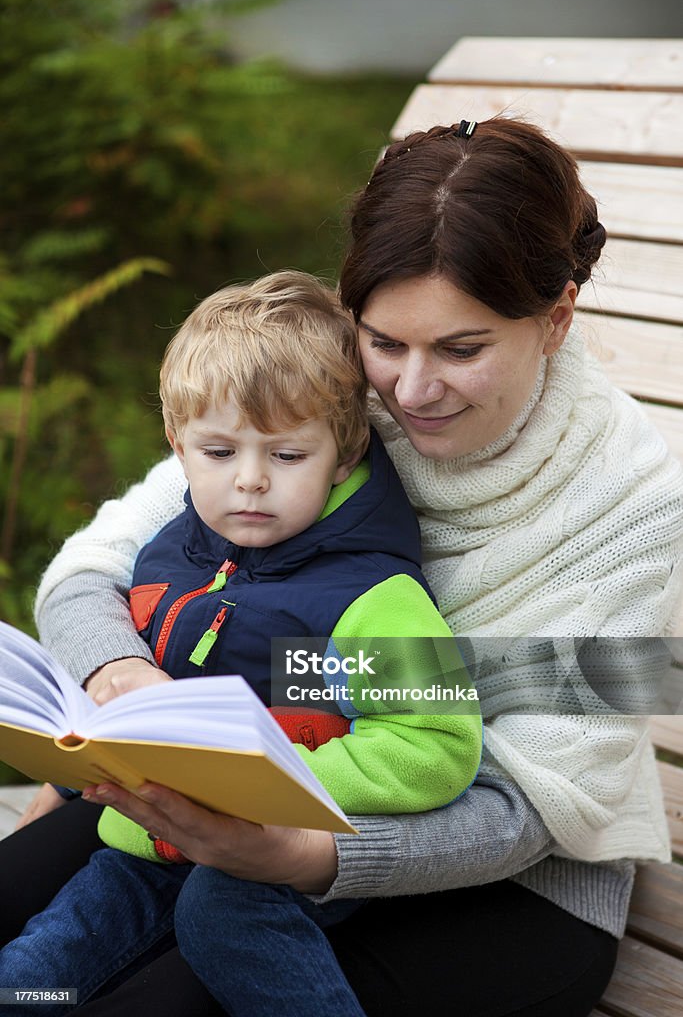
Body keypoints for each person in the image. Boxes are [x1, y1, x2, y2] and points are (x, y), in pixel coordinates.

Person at [2, 116, 683, 1017]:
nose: (409, 391)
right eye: (385, 342)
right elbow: (93, 571)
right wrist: (118, 680)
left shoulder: (632, 506)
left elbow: (521, 809)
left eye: (461, 349)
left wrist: (300, 854)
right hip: (233, 783)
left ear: (555, 317)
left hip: (504, 877)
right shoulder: (322, 400)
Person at [0, 271, 481, 1016]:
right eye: (219, 453)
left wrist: (280, 777)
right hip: (145, 846)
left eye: (287, 457)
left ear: (345, 450)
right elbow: (128, 699)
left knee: (221, 916)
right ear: (177, 445)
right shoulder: (169, 561)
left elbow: (436, 742)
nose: (250, 482)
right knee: (32, 973)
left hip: (273, 860)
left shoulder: (371, 598)